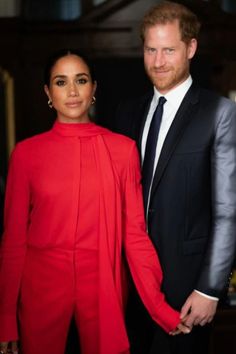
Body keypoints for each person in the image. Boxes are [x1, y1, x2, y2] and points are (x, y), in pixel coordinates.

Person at [0, 49, 190, 354]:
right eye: (61, 82)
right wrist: (5, 318)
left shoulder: (123, 151)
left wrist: (159, 308)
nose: (73, 92)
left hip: (103, 281)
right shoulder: (25, 155)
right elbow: (13, 240)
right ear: (48, 92)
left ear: (94, 89)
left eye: (81, 80)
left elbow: (135, 236)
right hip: (40, 285)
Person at [114, 1, 236, 354]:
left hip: (188, 292)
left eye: (169, 49)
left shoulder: (220, 113)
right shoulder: (127, 112)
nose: (158, 61)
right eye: (151, 50)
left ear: (191, 47)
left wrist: (210, 288)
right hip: (131, 288)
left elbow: (229, 211)